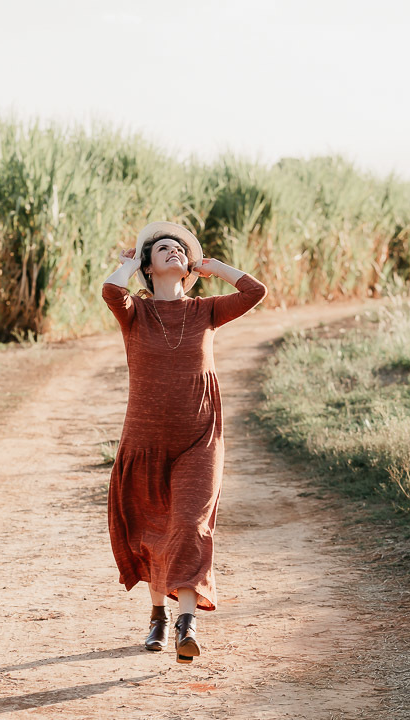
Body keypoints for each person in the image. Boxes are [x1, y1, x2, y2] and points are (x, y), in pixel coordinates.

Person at [101, 220, 268, 664]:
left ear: (189, 266)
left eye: (180, 249)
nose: (174, 252)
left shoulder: (206, 311)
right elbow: (110, 292)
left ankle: (185, 623)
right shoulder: (134, 312)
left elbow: (255, 292)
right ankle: (157, 615)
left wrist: (215, 267)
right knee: (155, 530)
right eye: (163, 250)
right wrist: (129, 263)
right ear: (148, 267)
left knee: (190, 526)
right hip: (146, 441)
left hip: (200, 440)